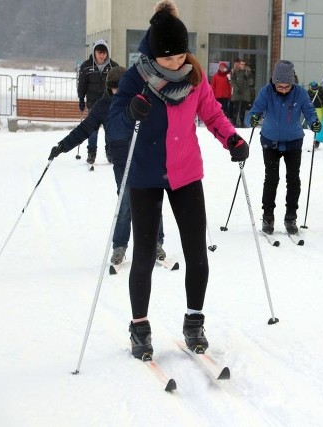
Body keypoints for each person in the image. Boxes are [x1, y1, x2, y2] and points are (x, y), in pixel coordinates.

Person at [107, 0, 249, 359]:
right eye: (167, 59)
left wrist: (231, 138)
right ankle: (139, 326)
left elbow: (212, 113)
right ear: (154, 54)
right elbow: (115, 123)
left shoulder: (194, 77)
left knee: (196, 252)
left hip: (186, 174)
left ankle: (194, 320)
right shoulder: (135, 79)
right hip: (146, 176)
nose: (175, 64)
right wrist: (129, 111)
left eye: (180, 56)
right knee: (143, 254)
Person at [49, 66, 166, 265]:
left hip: (145, 158)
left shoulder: (141, 99)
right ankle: (119, 246)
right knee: (126, 202)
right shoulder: (104, 106)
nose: (118, 93)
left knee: (151, 200)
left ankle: (155, 242)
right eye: (114, 89)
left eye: (121, 88)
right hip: (121, 161)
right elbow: (85, 128)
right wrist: (63, 146)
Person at [248, 60, 320, 235]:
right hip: (270, 141)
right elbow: (255, 111)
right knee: (271, 179)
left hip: (293, 141)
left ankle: (291, 216)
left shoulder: (300, 93)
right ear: (274, 82)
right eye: (280, 87)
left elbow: (309, 112)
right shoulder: (266, 92)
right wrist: (253, 118)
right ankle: (268, 216)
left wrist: (314, 122)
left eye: (287, 87)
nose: (283, 90)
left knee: (293, 179)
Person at [77, 39, 119, 165]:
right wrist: (81, 99)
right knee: (92, 130)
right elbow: (82, 85)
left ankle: (110, 152)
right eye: (99, 52)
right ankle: (91, 152)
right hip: (93, 104)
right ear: (94, 52)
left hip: (109, 103)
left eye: (104, 53)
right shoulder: (86, 66)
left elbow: (119, 85)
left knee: (109, 129)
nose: (102, 55)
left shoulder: (113, 66)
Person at [230, 58, 253, 127]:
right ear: (239, 64)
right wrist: (237, 89)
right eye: (241, 64)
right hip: (237, 93)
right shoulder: (234, 71)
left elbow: (251, 82)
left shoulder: (248, 72)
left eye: (244, 64)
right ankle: (234, 122)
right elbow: (232, 81)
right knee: (236, 108)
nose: (242, 65)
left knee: (243, 109)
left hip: (245, 93)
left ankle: (242, 123)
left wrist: (248, 79)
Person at [307, 81, 323, 148]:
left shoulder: (321, 89)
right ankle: (318, 131)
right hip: (317, 107)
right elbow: (308, 99)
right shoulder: (309, 92)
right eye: (314, 88)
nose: (315, 89)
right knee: (319, 119)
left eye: (316, 87)